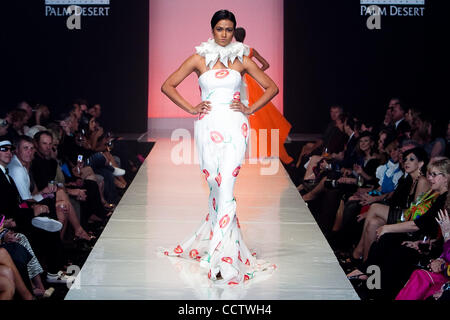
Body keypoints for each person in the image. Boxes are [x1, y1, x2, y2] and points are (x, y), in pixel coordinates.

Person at [160, 9, 278, 285]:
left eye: (229, 29)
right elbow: (168, 85)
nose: (224, 34)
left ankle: (221, 259)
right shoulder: (199, 58)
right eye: (219, 29)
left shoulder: (242, 59)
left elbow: (271, 87)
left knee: (226, 187)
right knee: (215, 185)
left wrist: (249, 109)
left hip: (236, 126)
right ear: (212, 30)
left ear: (234, 31)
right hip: (207, 126)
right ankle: (226, 246)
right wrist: (191, 107)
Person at [233, 27, 293, 165]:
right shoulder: (251, 50)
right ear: (244, 36)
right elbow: (266, 64)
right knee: (257, 114)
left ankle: (240, 148)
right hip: (251, 83)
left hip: (237, 83)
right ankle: (257, 148)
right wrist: (254, 72)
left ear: (234, 35)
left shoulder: (231, 49)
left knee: (238, 112)